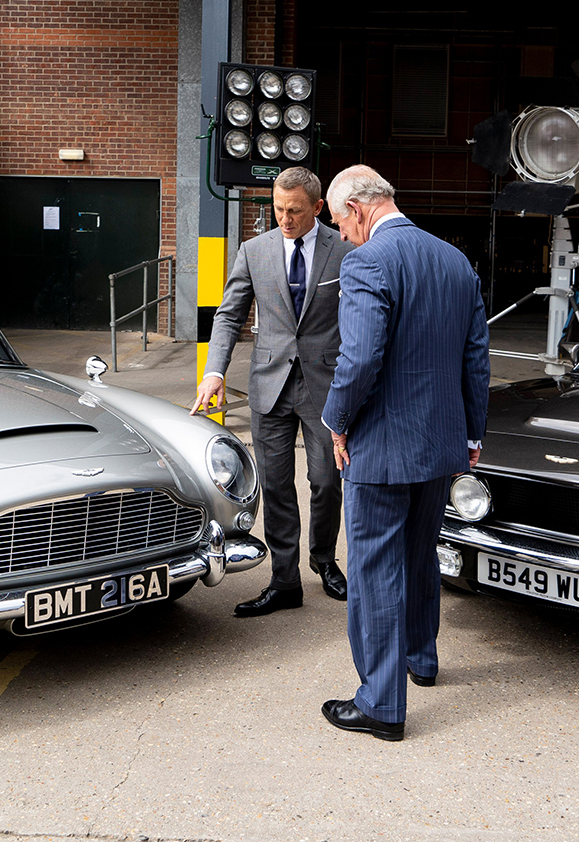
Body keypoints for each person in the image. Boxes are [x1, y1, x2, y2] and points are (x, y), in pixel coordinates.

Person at [318, 165, 490, 741]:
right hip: (440, 444)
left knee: (373, 569)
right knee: (419, 557)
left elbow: (360, 358)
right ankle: (421, 658)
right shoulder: (454, 260)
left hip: (382, 447)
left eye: (339, 221)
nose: (340, 235)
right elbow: (475, 359)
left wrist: (336, 421)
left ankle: (381, 704)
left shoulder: (366, 262)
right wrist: (471, 435)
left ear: (360, 208)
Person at [191, 167, 354, 616]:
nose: (285, 219)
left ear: (318, 208)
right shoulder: (254, 251)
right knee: (278, 487)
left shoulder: (344, 249)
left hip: (326, 385)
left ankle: (323, 558)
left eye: (295, 211)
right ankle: (285, 581)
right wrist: (214, 372)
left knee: (325, 482)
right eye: (279, 209)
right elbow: (228, 316)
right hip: (270, 384)